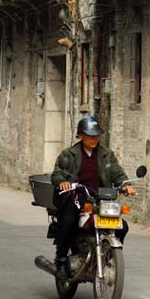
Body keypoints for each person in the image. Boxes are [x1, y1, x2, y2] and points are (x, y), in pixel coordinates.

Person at [51, 115, 136, 276]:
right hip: (77, 197)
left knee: (122, 226)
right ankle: (61, 259)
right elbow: (57, 174)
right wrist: (62, 182)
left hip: (102, 198)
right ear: (80, 135)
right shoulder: (69, 154)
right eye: (90, 135)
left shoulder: (107, 155)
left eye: (96, 135)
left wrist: (126, 185)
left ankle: (110, 256)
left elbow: (118, 174)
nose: (93, 138)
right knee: (68, 220)